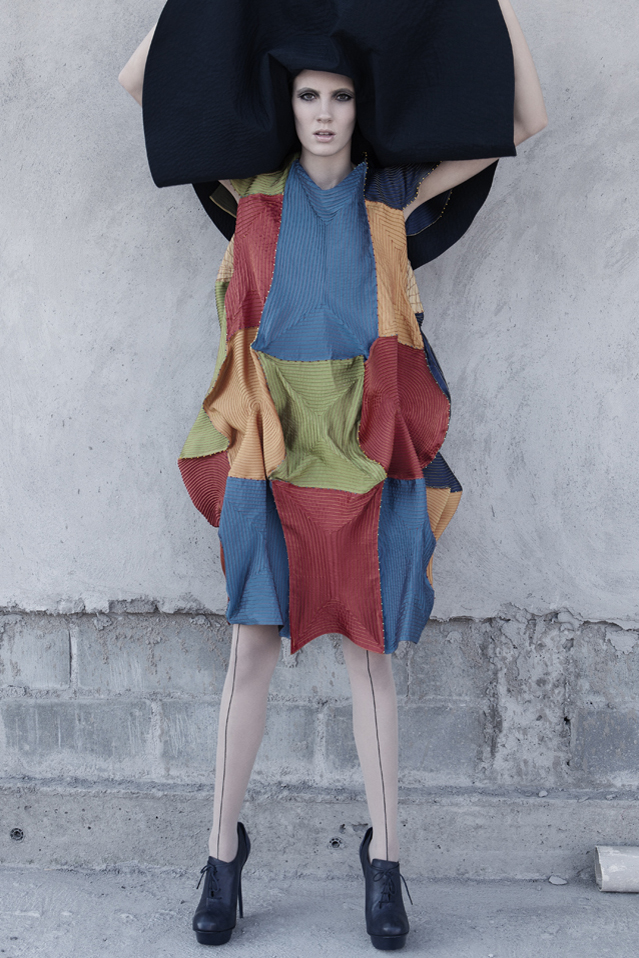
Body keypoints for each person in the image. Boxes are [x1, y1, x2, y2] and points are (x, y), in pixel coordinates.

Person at [119, 1, 546, 949]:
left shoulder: (391, 191)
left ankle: (385, 863)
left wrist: (498, 6)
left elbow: (523, 123)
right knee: (250, 649)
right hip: (268, 448)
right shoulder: (250, 184)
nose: (322, 113)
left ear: (361, 107)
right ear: (288, 103)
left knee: (370, 653)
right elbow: (140, 82)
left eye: (340, 97)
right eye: (308, 95)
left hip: (365, 447)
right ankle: (220, 857)